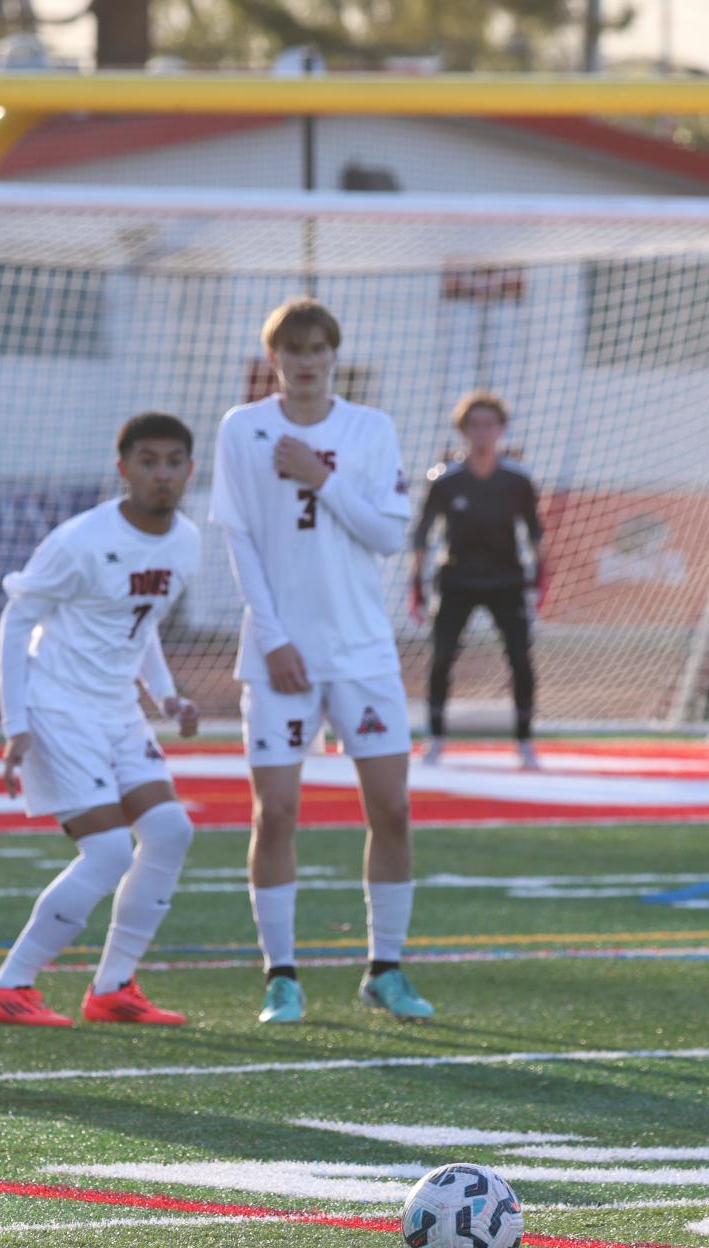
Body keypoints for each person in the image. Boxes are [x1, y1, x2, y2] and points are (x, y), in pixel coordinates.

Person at [208, 296, 430, 1025]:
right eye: (291, 350)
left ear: (334, 355)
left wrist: (319, 475)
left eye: (316, 349)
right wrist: (271, 638)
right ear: (272, 358)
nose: (304, 361)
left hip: (362, 651)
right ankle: (281, 976)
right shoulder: (243, 429)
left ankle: (384, 969)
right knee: (274, 814)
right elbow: (238, 538)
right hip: (279, 653)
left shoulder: (369, 429)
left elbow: (386, 535)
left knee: (391, 810)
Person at [0, 413, 204, 1027]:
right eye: (148, 461)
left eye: (173, 461)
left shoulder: (186, 541)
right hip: (58, 705)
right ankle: (9, 986)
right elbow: (17, 620)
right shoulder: (79, 540)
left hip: (118, 710)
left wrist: (166, 695)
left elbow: (141, 623)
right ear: (123, 468)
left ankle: (112, 989)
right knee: (107, 854)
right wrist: (14, 723)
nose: (162, 473)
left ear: (190, 469)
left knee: (171, 832)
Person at [412, 392, 545, 770]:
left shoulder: (517, 480)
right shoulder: (444, 480)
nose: (482, 432)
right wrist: (415, 584)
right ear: (463, 430)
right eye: (475, 425)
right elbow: (422, 533)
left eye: (490, 424)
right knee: (441, 657)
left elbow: (534, 532)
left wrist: (542, 577)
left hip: (506, 580)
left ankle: (524, 742)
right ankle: (435, 738)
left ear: (501, 429)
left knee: (520, 658)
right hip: (456, 579)